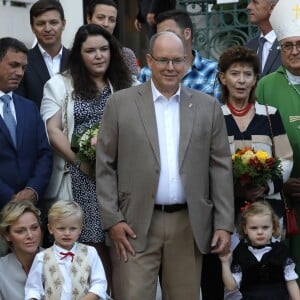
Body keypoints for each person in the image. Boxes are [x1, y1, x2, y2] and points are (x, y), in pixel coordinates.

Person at [96, 30, 234, 300]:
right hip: (133, 223)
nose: (171, 67)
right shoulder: (120, 104)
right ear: (149, 60)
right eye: (163, 60)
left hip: (189, 223)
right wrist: (112, 219)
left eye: (177, 60)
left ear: (186, 62)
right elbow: (105, 165)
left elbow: (220, 167)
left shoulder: (208, 107)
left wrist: (223, 224)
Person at [40, 23, 133, 292]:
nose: (99, 55)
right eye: (90, 50)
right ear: (79, 54)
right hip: (80, 178)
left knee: (122, 247)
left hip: (120, 177)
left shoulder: (127, 83)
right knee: (92, 250)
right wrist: (80, 161)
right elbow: (53, 130)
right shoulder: (59, 84)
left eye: (104, 49)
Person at [218, 45, 293, 220]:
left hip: (269, 214)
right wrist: (235, 189)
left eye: (248, 74)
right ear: (223, 78)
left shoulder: (270, 115)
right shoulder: (215, 117)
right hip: (229, 213)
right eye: (235, 74)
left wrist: (266, 186)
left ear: (255, 80)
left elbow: (286, 159)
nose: (241, 80)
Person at [256, 0, 300, 281]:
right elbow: (258, 144)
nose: (295, 51)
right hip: (285, 198)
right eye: (288, 45)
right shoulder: (266, 86)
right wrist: (281, 181)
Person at [0, 37, 52, 210]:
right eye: (14, 65)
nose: (20, 73)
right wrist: (9, 197)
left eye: (23, 67)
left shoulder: (29, 107)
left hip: (31, 210)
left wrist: (32, 190)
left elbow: (44, 154)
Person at [24, 200, 108, 300]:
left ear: (80, 229)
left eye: (73, 228)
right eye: (61, 228)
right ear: (50, 228)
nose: (67, 233)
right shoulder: (42, 257)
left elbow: (99, 283)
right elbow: (34, 288)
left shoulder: (90, 252)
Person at [219, 201, 300, 299]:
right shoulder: (240, 252)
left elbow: (291, 283)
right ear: (245, 229)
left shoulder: (281, 251)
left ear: (273, 227)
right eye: (254, 228)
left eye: (265, 227)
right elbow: (231, 286)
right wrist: (225, 263)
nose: (260, 232)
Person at [137, 9, 222, 102]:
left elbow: (218, 113)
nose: (163, 39)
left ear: (187, 33)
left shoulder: (213, 71)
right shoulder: (147, 73)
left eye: (169, 33)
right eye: (160, 35)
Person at [15, 0, 69, 108]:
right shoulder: (22, 63)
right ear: (32, 28)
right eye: (40, 24)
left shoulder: (77, 59)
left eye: (53, 22)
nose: (47, 29)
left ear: (63, 24)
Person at [0, 200, 42, 300]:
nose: (30, 235)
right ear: (7, 235)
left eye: (34, 228)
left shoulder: (59, 258)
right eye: (20, 231)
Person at [86, 0, 139, 76]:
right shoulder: (75, 54)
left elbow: (135, 86)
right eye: (100, 18)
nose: (106, 24)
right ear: (89, 19)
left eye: (112, 20)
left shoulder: (126, 55)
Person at [245, 0, 281, 77]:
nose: (249, 7)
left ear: (272, 8)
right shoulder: (249, 47)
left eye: (255, 2)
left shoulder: (289, 44)